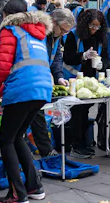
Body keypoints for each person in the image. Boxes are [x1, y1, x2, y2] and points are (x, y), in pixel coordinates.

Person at [0, 0, 52, 203]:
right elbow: (23, 65)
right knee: (17, 137)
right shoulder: (37, 33)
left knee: (6, 140)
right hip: (41, 89)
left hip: (22, 90)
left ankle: (17, 193)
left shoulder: (10, 31)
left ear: (6, 15)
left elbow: (3, 66)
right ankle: (34, 186)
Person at [29, 8, 73, 159]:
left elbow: (57, 57)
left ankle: (44, 150)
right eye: (63, 30)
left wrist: (59, 77)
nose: (63, 34)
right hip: (33, 79)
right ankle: (45, 151)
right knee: (35, 114)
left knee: (36, 115)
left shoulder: (56, 35)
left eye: (66, 32)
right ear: (54, 22)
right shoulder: (41, 34)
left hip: (41, 79)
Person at [62, 9, 105, 158]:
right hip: (74, 79)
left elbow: (102, 56)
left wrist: (101, 65)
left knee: (84, 111)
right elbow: (68, 58)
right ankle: (76, 144)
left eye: (97, 26)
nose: (94, 29)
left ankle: (82, 143)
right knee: (77, 112)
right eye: (92, 26)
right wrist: (83, 56)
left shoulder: (98, 37)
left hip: (90, 79)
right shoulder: (73, 36)